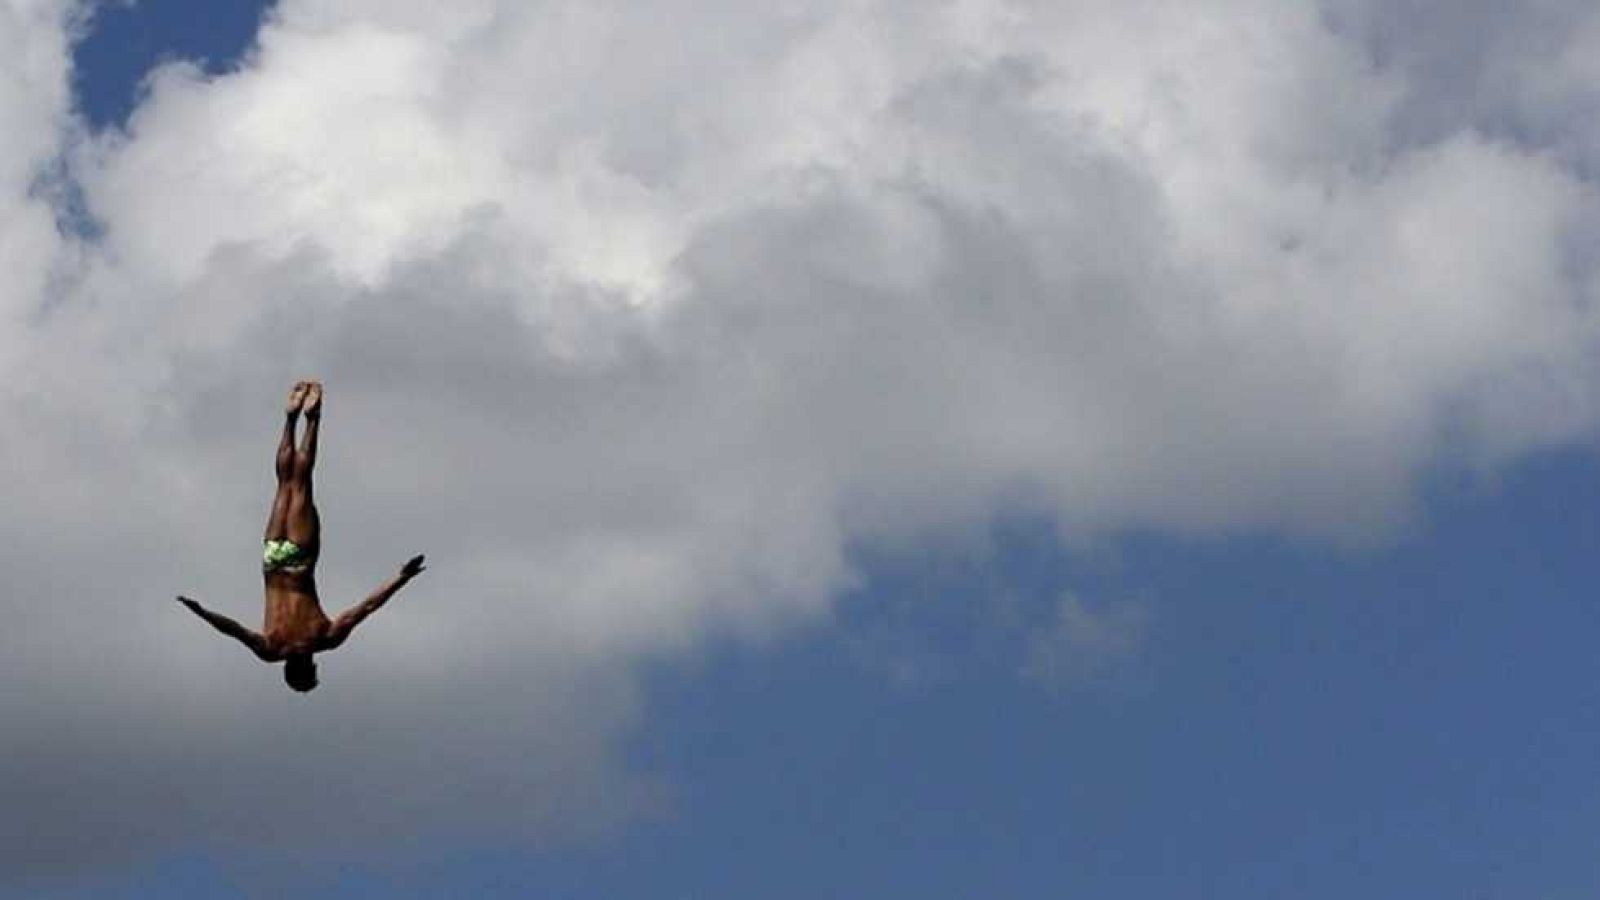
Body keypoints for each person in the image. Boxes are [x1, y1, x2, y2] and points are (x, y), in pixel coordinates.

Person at [177, 381, 425, 692]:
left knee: (301, 482)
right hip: (272, 558)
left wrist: (403, 577)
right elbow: (233, 630)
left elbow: (367, 607)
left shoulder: (323, 639)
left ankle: (312, 418)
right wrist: (202, 613)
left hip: (299, 558)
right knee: (284, 484)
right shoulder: (270, 650)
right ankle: (290, 419)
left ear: (308, 666)